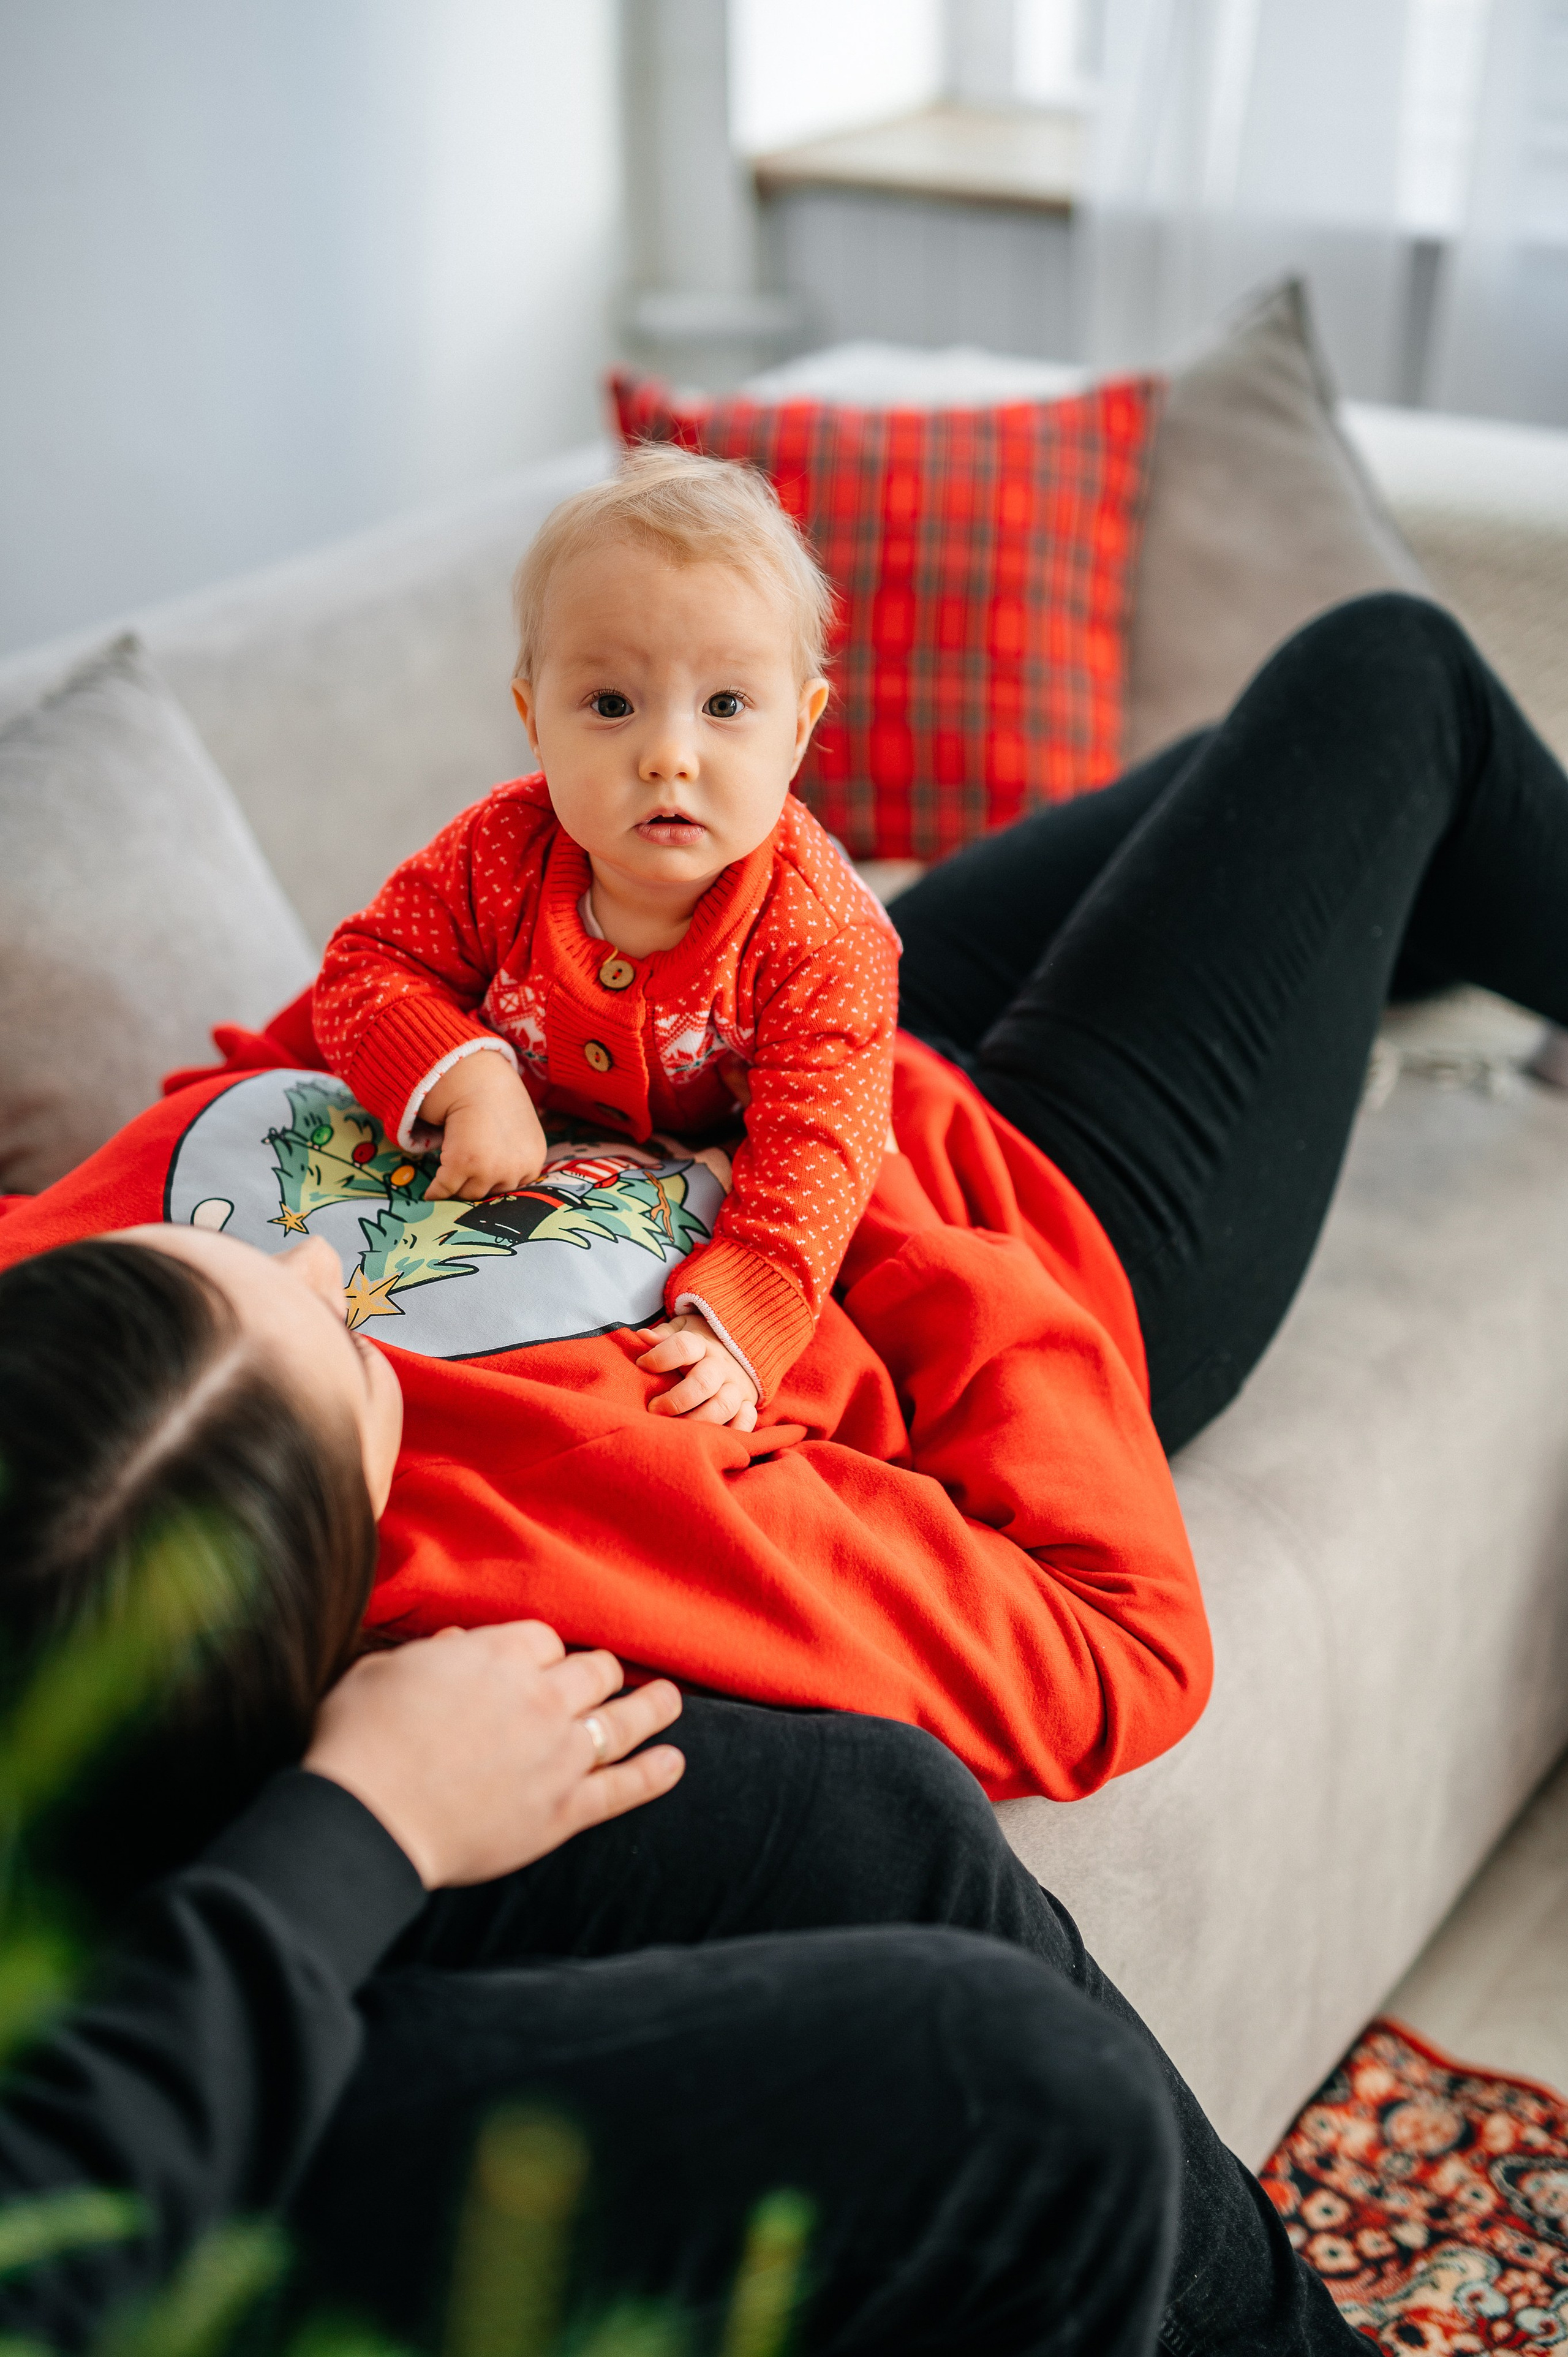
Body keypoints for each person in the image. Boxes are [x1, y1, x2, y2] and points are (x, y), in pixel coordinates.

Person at [2, 586, 1566, 2350]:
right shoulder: (561, 1536)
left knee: (1260, 784)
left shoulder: (66, 1352)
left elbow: (321, 1032)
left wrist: (490, 1021)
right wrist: (826, 1157)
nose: (314, 1260)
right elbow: (1116, 1645)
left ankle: (1435, 951)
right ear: (349, 1551)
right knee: (1388, 684)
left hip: (725, 1022)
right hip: (1008, 1198)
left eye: (210, 1248)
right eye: (345, 1345)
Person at [312, 447, 901, 1426]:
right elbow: (365, 966)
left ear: (797, 732)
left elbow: (816, 1149)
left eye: (725, 707)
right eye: (612, 704)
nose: (669, 754)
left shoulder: (819, 935)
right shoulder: (498, 850)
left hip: (753, 1135)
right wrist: (472, 1076)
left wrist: (744, 1313)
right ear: (534, 721)